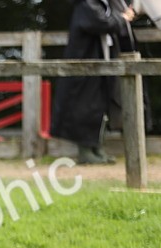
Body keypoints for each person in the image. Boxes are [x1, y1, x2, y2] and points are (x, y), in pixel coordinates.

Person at [50, 0, 138, 165]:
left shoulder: (98, 4)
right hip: (85, 65)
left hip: (98, 63)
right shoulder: (86, 4)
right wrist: (123, 18)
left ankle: (96, 148)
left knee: (98, 108)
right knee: (85, 108)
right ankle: (86, 151)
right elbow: (101, 23)